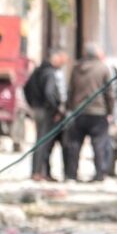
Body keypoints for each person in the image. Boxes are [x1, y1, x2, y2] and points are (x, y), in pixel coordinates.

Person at [64, 43, 114, 182]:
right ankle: (100, 175)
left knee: (74, 145)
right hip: (98, 112)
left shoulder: (76, 68)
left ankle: (71, 175)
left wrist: (69, 108)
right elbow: (109, 92)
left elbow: (71, 90)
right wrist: (110, 111)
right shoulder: (103, 69)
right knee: (99, 145)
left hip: (78, 111)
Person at [24, 48, 68, 181]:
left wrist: (32, 104)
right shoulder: (50, 73)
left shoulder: (38, 70)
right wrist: (56, 109)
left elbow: (26, 88)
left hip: (37, 108)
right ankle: (38, 172)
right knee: (43, 142)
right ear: (56, 58)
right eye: (62, 59)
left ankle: (42, 171)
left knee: (42, 140)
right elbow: (49, 93)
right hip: (46, 110)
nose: (64, 63)